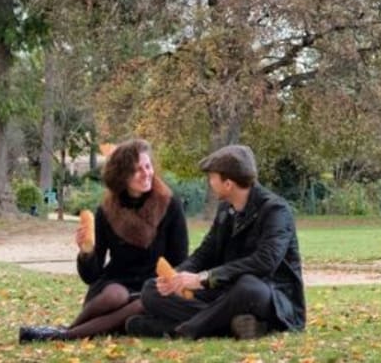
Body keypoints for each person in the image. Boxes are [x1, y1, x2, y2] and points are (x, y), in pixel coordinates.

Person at [19, 139, 189, 343]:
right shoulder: (107, 211)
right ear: (122, 176)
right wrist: (85, 252)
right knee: (114, 296)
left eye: (148, 166)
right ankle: (69, 328)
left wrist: (171, 288)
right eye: (137, 170)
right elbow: (92, 274)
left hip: (154, 284)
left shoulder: (169, 204)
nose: (146, 174)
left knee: (142, 302)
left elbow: (179, 260)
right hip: (116, 283)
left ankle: (63, 334)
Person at [130, 144, 305, 341]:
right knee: (151, 290)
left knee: (247, 286)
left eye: (212, 177)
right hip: (224, 294)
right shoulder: (225, 210)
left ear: (228, 183)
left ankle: (187, 329)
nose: (210, 182)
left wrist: (203, 278)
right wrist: (176, 277)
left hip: (270, 297)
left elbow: (265, 262)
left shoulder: (276, 211)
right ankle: (229, 326)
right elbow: (205, 253)